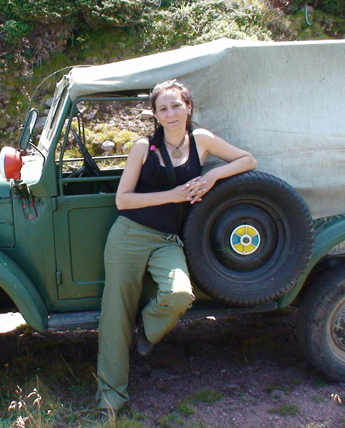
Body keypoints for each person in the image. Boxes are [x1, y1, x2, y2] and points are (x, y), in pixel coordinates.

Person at [95, 79, 257, 416]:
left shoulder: (202, 140)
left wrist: (212, 176)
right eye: (163, 108)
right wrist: (172, 196)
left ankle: (147, 329)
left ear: (189, 107)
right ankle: (110, 400)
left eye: (176, 106)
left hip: (168, 239)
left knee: (180, 295)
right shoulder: (144, 147)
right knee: (115, 317)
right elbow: (123, 200)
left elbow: (247, 160)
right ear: (155, 115)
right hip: (130, 235)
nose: (171, 114)